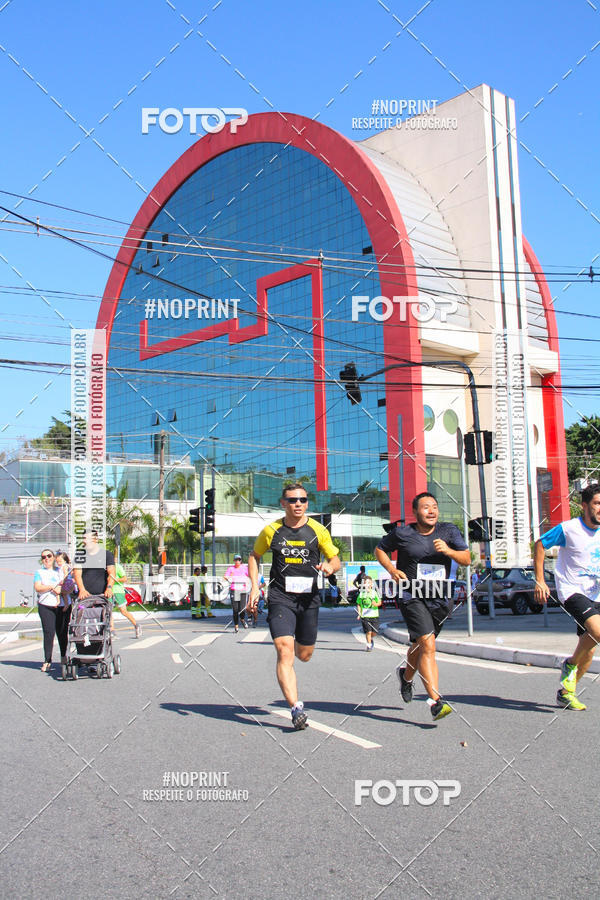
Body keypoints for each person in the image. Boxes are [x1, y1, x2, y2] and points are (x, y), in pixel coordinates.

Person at [248, 483, 340, 730]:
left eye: (302, 500)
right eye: (292, 500)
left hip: (309, 599)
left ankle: (300, 644)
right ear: (283, 503)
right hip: (281, 598)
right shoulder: (271, 530)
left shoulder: (318, 530)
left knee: (304, 655)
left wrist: (330, 567)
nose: (298, 504)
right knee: (284, 649)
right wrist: (255, 587)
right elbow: (254, 555)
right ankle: (296, 708)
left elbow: (335, 559)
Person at [375, 492, 470, 721]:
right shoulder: (403, 533)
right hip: (411, 594)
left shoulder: (448, 531)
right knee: (428, 644)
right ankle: (436, 701)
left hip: (440, 596)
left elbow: (466, 558)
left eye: (434, 506)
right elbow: (380, 549)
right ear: (415, 512)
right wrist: (391, 569)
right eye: (426, 507)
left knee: (421, 644)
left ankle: (406, 677)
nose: (431, 511)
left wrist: (448, 551)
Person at [534, 483, 600, 711]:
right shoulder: (569, 529)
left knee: (589, 649)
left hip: (596, 592)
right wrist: (540, 580)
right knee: (598, 632)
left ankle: (566, 693)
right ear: (585, 506)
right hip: (572, 590)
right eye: (597, 503)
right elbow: (540, 544)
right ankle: (570, 665)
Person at [73, 530, 141, 639]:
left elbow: (111, 573)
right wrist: (82, 589)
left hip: (103, 594)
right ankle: (82, 638)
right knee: (81, 617)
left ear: (95, 540)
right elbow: (77, 574)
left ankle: (112, 632)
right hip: (85, 596)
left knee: (109, 614)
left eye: (87, 539)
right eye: (83, 539)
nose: (85, 541)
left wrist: (109, 588)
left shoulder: (106, 555)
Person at [33, 549, 71, 672]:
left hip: (62, 606)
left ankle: (64, 657)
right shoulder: (39, 572)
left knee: (62, 632)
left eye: (49, 556)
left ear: (54, 557)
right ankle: (47, 660)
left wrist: (62, 590)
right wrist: (51, 586)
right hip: (46, 605)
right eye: (43, 557)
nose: (46, 559)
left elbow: (69, 584)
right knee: (49, 633)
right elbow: (38, 587)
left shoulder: (61, 569)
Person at [111, 560, 141, 636]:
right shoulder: (103, 567)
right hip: (109, 591)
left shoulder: (117, 566)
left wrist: (116, 579)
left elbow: (124, 578)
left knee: (123, 611)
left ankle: (136, 625)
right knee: (109, 612)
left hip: (118, 591)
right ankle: (112, 631)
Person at [224, 554, 250, 633]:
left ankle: (242, 619)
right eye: (236, 560)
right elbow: (225, 576)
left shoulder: (245, 568)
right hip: (234, 590)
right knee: (235, 609)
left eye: (239, 560)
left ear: (241, 561)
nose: (237, 561)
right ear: (234, 561)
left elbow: (250, 575)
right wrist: (229, 578)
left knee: (242, 609)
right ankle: (236, 626)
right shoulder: (231, 568)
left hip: (242, 590)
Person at [356, 576, 382, 650]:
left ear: (371, 584)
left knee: (375, 632)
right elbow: (358, 604)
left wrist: (375, 604)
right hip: (365, 616)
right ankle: (369, 645)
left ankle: (370, 639)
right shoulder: (361, 594)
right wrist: (359, 613)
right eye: (365, 583)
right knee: (368, 632)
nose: (367, 584)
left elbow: (379, 602)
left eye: (368, 583)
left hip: (374, 615)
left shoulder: (374, 593)